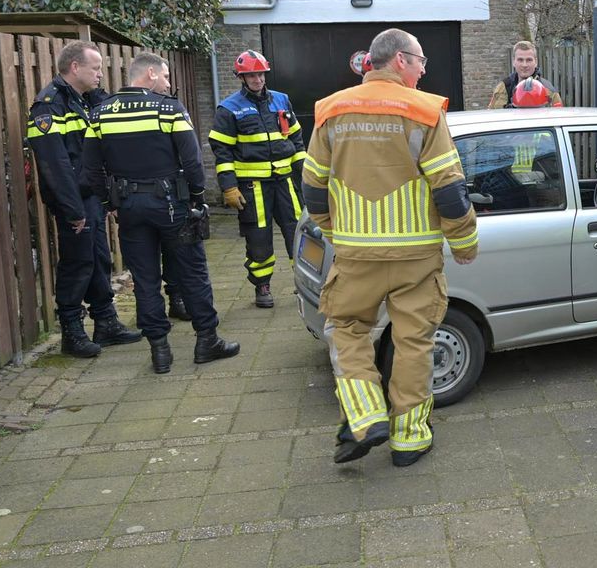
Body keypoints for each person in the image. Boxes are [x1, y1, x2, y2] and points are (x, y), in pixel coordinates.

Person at [304, 28, 478, 467]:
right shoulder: (425, 111)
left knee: (346, 329)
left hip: (355, 257)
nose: (423, 71)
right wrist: (464, 242)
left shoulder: (331, 110)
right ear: (401, 60)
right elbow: (450, 188)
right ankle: (410, 439)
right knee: (414, 343)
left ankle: (365, 417)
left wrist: (334, 231)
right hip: (416, 259)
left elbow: (313, 187)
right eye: (421, 62)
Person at [81, 53, 239, 374]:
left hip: (129, 207)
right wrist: (197, 197)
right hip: (172, 205)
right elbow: (192, 160)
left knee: (145, 279)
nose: (168, 84)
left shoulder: (99, 114)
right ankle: (207, 341)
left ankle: (160, 351)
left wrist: (109, 203)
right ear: (151, 74)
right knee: (192, 273)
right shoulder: (168, 109)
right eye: (165, 77)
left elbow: (91, 168)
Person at [27, 40, 139, 358]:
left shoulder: (86, 100)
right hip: (73, 201)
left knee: (99, 259)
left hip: (91, 197)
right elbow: (54, 165)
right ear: (75, 67)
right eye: (95, 68)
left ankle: (106, 323)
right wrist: (73, 210)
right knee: (77, 264)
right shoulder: (49, 106)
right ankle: (72, 333)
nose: (100, 74)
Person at [208, 49, 307, 308]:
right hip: (253, 187)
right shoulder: (229, 108)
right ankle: (262, 285)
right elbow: (222, 151)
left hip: (285, 182)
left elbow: (296, 139)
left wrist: (305, 175)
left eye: (261, 74)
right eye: (251, 75)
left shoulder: (281, 100)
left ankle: (305, 283)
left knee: (298, 233)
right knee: (258, 238)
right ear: (241, 77)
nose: (258, 79)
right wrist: (229, 187)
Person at [487, 41, 563, 108]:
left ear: (536, 62)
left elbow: (558, 117)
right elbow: (492, 115)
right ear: (513, 61)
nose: (524, 65)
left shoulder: (548, 90)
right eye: (520, 60)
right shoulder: (503, 88)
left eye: (529, 60)